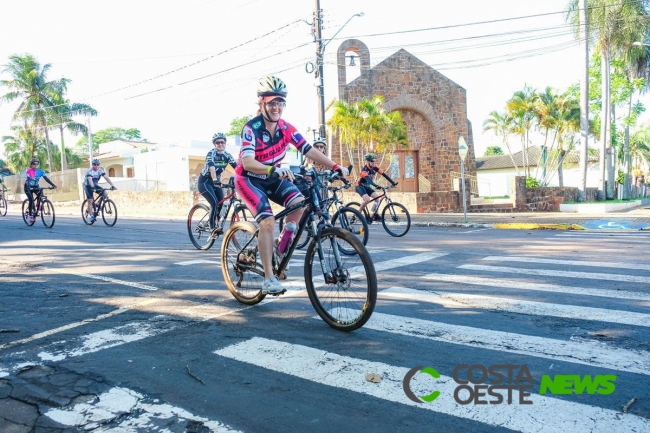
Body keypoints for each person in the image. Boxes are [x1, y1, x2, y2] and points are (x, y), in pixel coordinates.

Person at [235, 75, 349, 295]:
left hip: (274, 177)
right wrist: (272, 169)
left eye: (280, 102)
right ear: (261, 103)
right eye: (272, 102)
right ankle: (269, 278)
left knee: (300, 204)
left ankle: (282, 243)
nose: (277, 107)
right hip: (248, 179)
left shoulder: (286, 128)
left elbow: (308, 149)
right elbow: (248, 162)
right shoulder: (251, 128)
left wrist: (335, 166)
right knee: (267, 221)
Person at [197, 132, 237, 233]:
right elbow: (212, 168)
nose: (220, 144)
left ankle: (215, 223)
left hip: (216, 182)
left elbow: (237, 168)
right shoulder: (211, 154)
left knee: (221, 203)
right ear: (214, 144)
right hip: (205, 182)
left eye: (222, 142)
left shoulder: (227, 155)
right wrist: (215, 180)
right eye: (217, 142)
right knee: (214, 203)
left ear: (225, 143)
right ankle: (212, 227)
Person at [355, 153, 398, 222]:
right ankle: (358, 214)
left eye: (374, 161)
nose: (373, 162)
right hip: (359, 186)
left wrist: (393, 182)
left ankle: (375, 215)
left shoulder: (375, 167)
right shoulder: (364, 170)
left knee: (377, 199)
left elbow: (384, 175)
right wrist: (376, 186)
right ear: (368, 161)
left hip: (367, 187)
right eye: (372, 161)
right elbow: (368, 180)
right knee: (367, 200)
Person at [24, 158, 57, 223]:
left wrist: (53, 185)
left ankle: (39, 206)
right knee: (31, 200)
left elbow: (46, 179)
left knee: (41, 195)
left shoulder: (41, 171)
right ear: (31, 165)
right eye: (34, 164)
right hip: (28, 187)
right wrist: (29, 187)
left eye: (37, 164)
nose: (35, 165)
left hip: (36, 186)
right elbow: (28, 180)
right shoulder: (28, 171)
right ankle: (30, 215)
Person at [84, 158, 116, 222]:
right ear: (92, 164)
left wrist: (112, 185)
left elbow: (106, 177)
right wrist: (92, 187)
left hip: (95, 185)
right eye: (94, 164)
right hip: (88, 186)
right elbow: (90, 180)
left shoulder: (100, 171)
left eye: (97, 164)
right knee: (90, 201)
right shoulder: (89, 171)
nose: (96, 166)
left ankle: (98, 204)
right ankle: (92, 216)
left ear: (99, 165)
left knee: (105, 193)